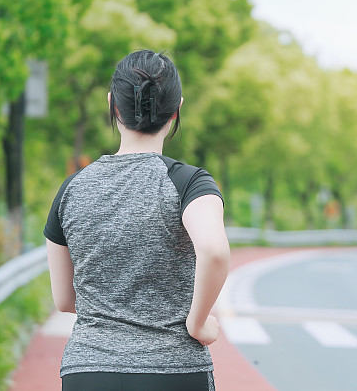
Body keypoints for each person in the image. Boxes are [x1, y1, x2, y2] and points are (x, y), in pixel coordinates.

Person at [44, 49, 230, 391]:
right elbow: (215, 252)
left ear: (113, 104)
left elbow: (64, 300)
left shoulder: (72, 189)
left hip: (88, 371)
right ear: (176, 110)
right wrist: (198, 323)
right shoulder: (190, 183)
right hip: (174, 371)